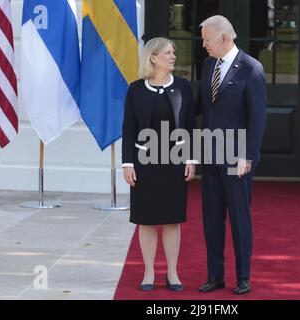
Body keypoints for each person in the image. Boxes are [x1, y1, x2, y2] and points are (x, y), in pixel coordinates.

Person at [197, 15, 267, 295]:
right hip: (210, 154)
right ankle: (215, 276)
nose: (203, 45)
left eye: (207, 39)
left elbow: (257, 118)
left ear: (224, 38)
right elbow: (202, 107)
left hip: (237, 157)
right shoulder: (207, 64)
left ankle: (243, 277)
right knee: (211, 219)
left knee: (239, 218)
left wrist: (247, 157)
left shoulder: (252, 69)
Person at [121, 37, 196, 292]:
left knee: (173, 219)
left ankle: (173, 273)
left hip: (174, 163)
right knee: (147, 219)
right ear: (153, 57)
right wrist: (127, 163)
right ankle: (149, 272)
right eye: (167, 52)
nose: (173, 56)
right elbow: (129, 128)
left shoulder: (183, 87)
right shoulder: (136, 89)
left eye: (174, 52)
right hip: (144, 163)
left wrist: (190, 159)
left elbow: (189, 126)